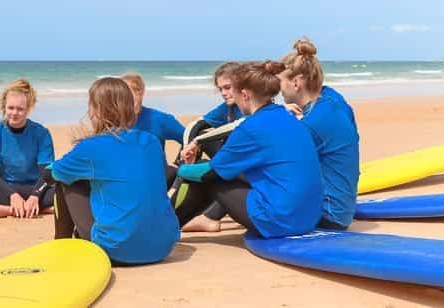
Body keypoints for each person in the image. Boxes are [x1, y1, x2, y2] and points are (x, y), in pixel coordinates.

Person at [176, 61, 324, 238]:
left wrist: (181, 170)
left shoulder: (250, 128)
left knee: (206, 175)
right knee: (222, 171)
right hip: (309, 217)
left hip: (283, 221)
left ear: (245, 94)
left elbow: (208, 174)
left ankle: (164, 226)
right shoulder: (287, 116)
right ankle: (171, 223)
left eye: (235, 94)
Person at [50, 77, 180, 265]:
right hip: (163, 247)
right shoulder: (151, 141)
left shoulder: (91, 147)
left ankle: (60, 246)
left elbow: (55, 173)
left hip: (117, 249)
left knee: (65, 180)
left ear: (97, 110)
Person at [278, 39, 360, 230]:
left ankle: (209, 217)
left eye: (279, 82)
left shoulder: (313, 122)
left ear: (296, 83)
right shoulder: (332, 99)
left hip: (328, 215)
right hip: (343, 207)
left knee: (227, 182)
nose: (277, 89)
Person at [172, 62, 244, 232]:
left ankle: (210, 215)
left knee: (220, 170)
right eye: (221, 89)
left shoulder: (253, 106)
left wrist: (198, 141)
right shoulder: (228, 107)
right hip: (232, 159)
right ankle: (178, 185)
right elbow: (195, 126)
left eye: (228, 87)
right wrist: (188, 150)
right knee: (199, 138)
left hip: (246, 164)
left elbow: (238, 125)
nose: (224, 93)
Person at [0, 79, 55, 219]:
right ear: (4, 106)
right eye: (11, 108)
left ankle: (11, 210)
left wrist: (35, 196)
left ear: (28, 109)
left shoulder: (41, 133)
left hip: (36, 188)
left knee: (66, 190)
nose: (14, 113)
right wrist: (13, 196)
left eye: (20, 109)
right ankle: (38, 209)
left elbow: (47, 174)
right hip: (7, 189)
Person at [121, 73, 184, 187]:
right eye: (124, 94)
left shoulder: (160, 119)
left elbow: (189, 137)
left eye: (135, 91)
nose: (131, 98)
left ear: (142, 92)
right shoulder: (113, 121)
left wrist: (178, 163)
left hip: (156, 181)